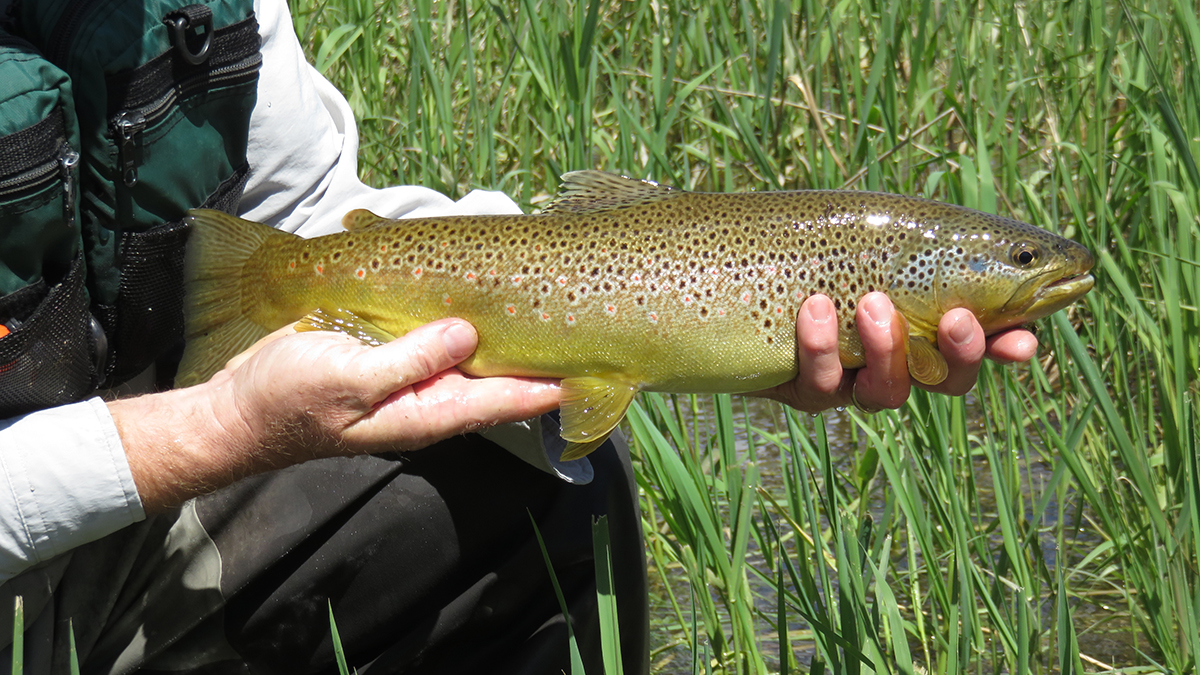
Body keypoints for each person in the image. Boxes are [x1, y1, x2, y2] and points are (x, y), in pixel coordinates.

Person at [0, 1, 1038, 673]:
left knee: (540, 482)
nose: (1042, 276)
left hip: (106, 501)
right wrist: (214, 426)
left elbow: (306, 197)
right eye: (1024, 264)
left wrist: (674, 317)